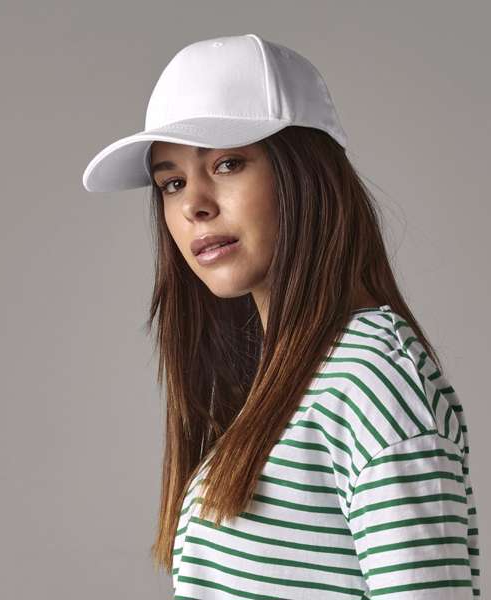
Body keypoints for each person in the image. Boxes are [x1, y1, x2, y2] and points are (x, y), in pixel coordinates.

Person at [82, 34, 480, 599]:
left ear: (304, 172)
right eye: (172, 182)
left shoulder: (372, 375)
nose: (194, 204)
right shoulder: (277, 382)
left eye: (227, 163)